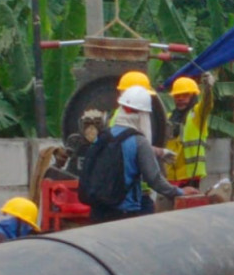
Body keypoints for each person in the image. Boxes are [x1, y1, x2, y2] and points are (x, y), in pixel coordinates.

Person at [90, 86, 192, 223]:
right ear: (142, 114)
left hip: (99, 209)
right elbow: (154, 179)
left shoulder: (102, 136)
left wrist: (158, 152)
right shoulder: (139, 141)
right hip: (125, 212)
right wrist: (180, 192)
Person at [164, 72, 215, 188]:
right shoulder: (168, 118)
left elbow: (207, 104)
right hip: (170, 176)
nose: (180, 99)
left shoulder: (197, 114)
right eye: (177, 96)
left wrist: (208, 88)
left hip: (190, 176)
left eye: (185, 95)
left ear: (193, 96)